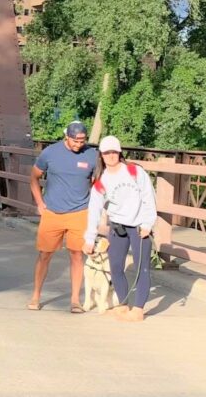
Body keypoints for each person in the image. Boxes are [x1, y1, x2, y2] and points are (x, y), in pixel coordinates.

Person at [83, 136, 157, 322]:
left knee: (142, 268)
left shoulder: (134, 172)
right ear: (101, 155)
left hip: (139, 226)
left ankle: (138, 309)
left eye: (114, 152)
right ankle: (123, 305)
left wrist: (148, 223)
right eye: (106, 152)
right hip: (117, 227)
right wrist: (90, 238)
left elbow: (149, 197)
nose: (110, 156)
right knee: (115, 267)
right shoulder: (101, 180)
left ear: (119, 152)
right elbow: (94, 209)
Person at [28, 121, 98, 313]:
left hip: (80, 212)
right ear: (66, 136)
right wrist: (40, 203)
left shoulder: (92, 155)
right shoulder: (50, 152)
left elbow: (98, 183)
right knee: (45, 255)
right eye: (75, 140)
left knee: (77, 255)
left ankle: (75, 300)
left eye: (82, 141)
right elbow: (34, 177)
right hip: (53, 211)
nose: (79, 144)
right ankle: (35, 296)